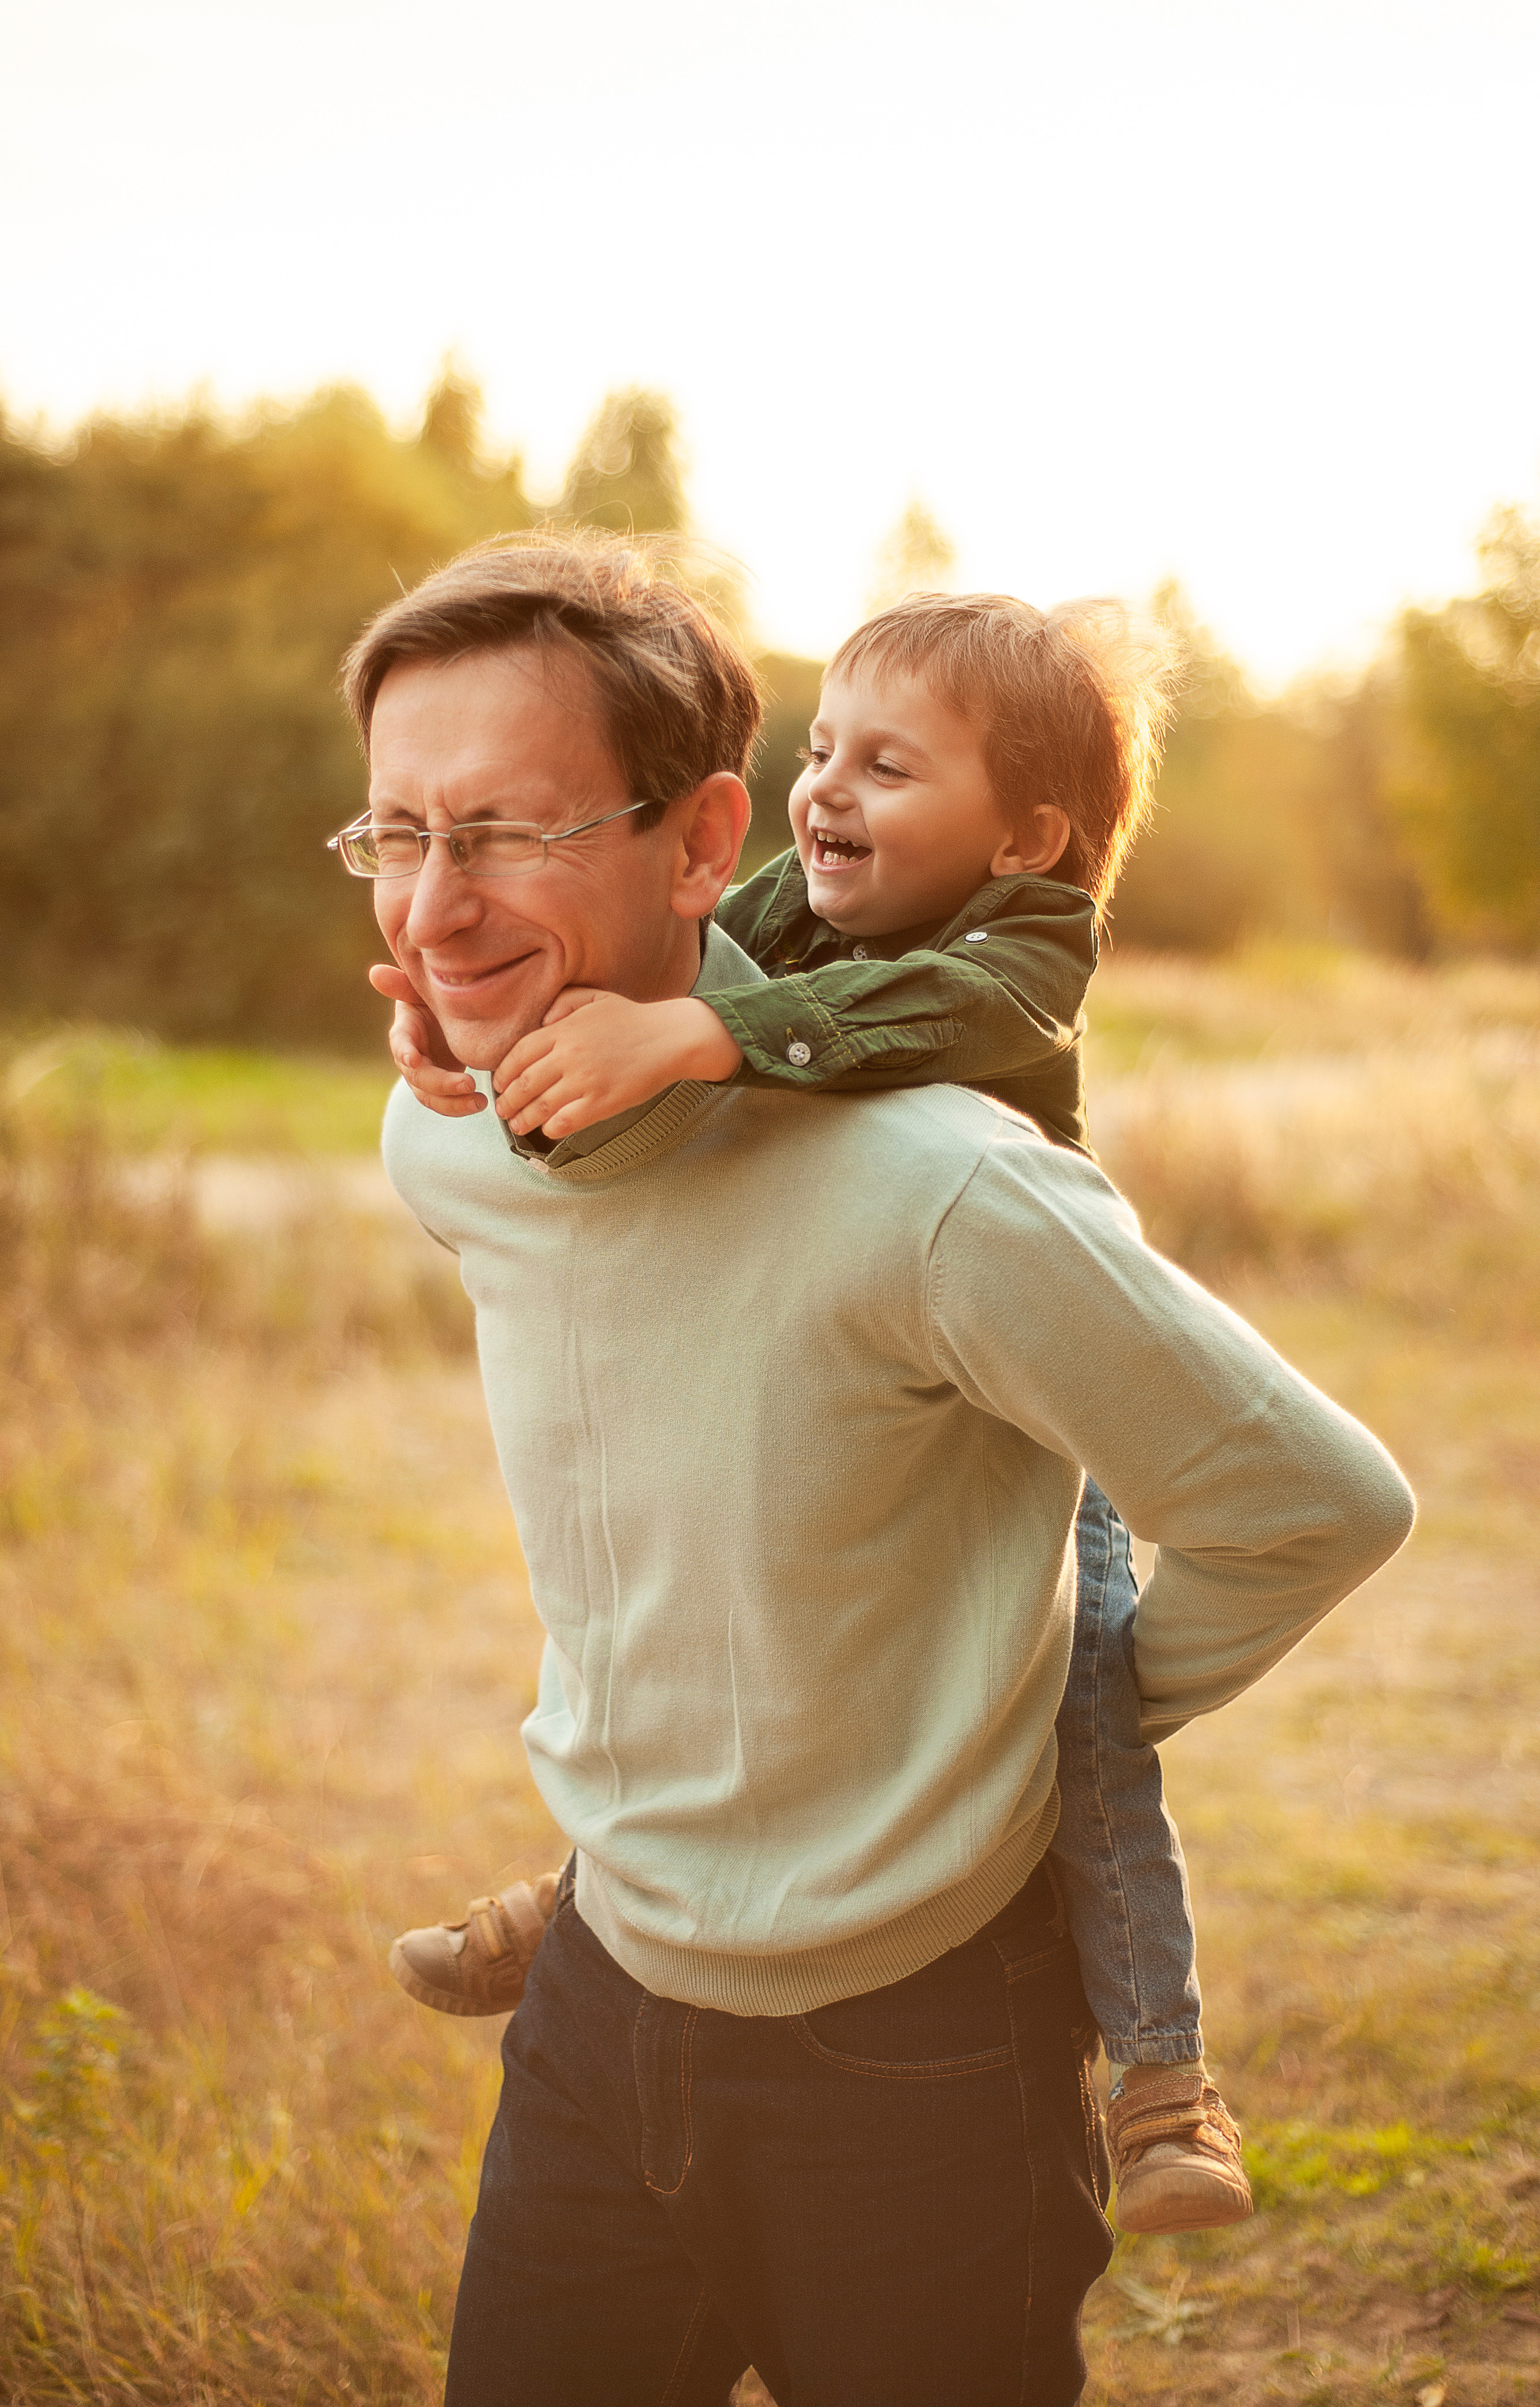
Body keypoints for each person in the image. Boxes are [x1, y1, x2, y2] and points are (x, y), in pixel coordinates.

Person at [338, 531, 1415, 2407]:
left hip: (913, 2056)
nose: (436, 903)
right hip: (600, 2008)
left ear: (699, 846)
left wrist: (1017, 1735)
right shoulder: (451, 1150)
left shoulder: (943, 1187)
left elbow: (1314, 1506)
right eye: (400, 836)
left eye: (509, 828)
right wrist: (468, 1009)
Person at [383, 587, 1237, 2235]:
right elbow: (661, 963)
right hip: (852, 1367)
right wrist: (473, 1015)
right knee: (732, 1641)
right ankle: (594, 1896)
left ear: (1028, 837)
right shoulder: (798, 900)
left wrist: (705, 1032)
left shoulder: (1024, 952)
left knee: (1095, 1732)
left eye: (890, 768)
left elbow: (899, 1028)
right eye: (823, 748)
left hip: (1010, 1406)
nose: (826, 791)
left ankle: (1165, 2079)